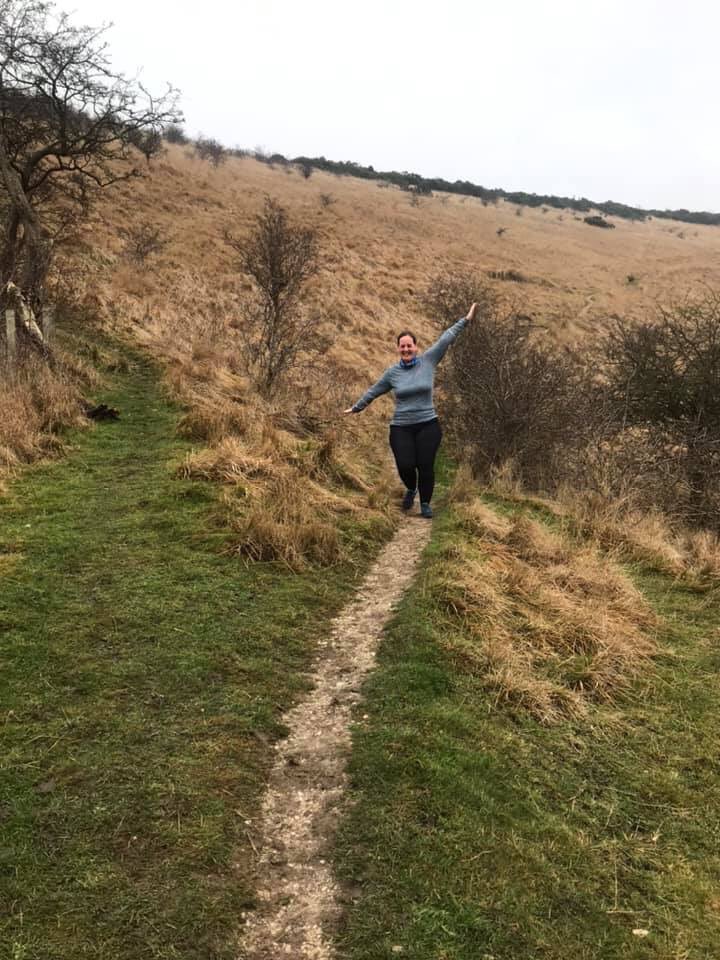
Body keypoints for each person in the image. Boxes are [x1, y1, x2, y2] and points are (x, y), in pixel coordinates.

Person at [344, 302, 478, 518]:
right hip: (401, 427)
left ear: (416, 347)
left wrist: (465, 320)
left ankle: (425, 503)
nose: (406, 349)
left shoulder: (428, 361)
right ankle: (411, 488)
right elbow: (374, 390)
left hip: (428, 424)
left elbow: (446, 338)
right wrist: (357, 407)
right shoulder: (392, 373)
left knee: (425, 465)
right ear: (398, 348)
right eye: (402, 346)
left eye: (409, 345)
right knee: (405, 465)